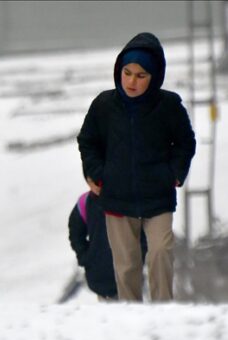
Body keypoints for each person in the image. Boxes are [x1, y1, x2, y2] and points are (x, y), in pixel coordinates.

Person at [76, 32, 196, 302]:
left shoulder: (169, 106)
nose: (132, 81)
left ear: (154, 77)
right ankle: (132, 319)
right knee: (126, 265)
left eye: (141, 75)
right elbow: (88, 141)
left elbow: (185, 143)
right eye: (127, 73)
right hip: (116, 197)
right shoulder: (104, 105)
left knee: (161, 252)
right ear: (119, 70)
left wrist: (175, 173)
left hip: (158, 196)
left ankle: (164, 311)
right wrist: (95, 172)